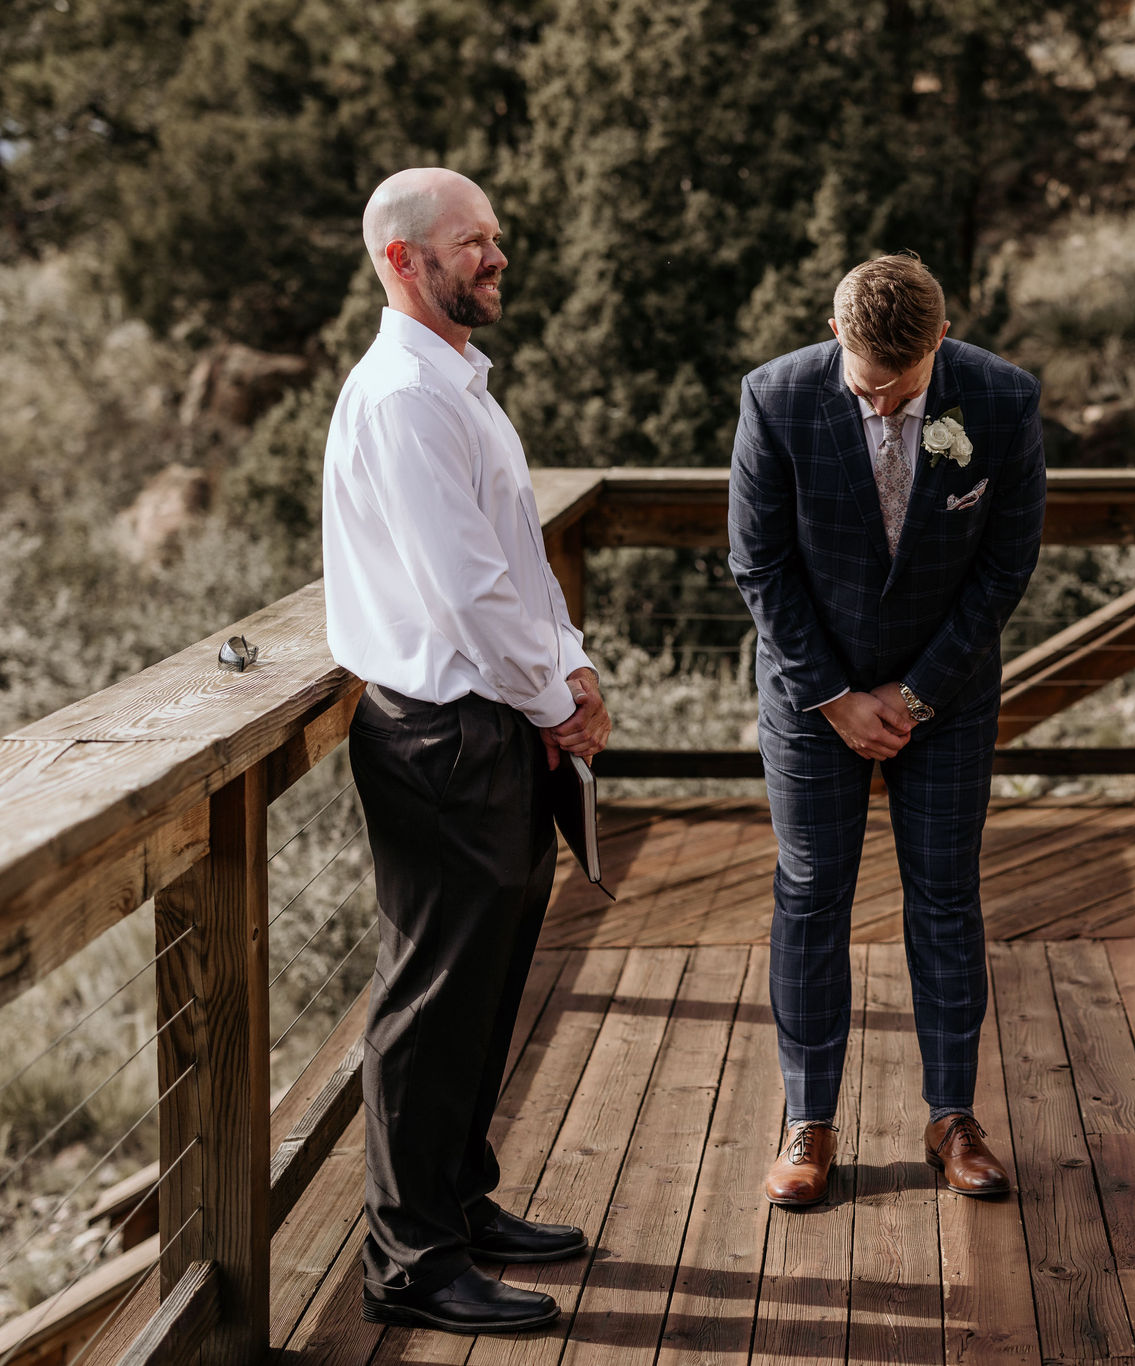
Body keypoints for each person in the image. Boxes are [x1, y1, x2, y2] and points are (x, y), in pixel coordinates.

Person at [323, 167, 613, 1335]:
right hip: (442, 736)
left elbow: (516, 555)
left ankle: (456, 1204)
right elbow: (464, 593)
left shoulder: (456, 383)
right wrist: (554, 698)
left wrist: (571, 665)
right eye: (470, 242)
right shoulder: (402, 397)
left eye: (495, 237)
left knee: (483, 993)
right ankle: (409, 1262)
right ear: (402, 260)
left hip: (495, 722)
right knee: (430, 1003)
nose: (496, 258)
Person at [729, 253, 1045, 1208]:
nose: (879, 406)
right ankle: (808, 1121)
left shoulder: (1001, 400)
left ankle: (953, 1117)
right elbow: (759, 565)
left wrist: (913, 697)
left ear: (940, 344)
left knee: (946, 897)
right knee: (813, 893)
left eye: (900, 390)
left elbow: (1007, 564)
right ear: (835, 336)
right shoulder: (775, 400)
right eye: (866, 386)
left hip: (944, 695)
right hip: (810, 695)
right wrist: (835, 697)